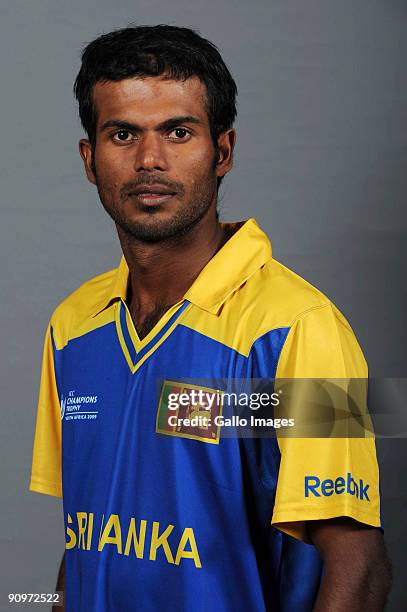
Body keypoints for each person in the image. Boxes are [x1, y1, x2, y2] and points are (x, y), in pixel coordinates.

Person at [29, 25, 391, 611]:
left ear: (221, 151)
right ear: (89, 159)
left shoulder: (301, 328)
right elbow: (91, 536)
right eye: (123, 134)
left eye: (178, 132)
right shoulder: (72, 325)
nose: (150, 160)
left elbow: (359, 568)